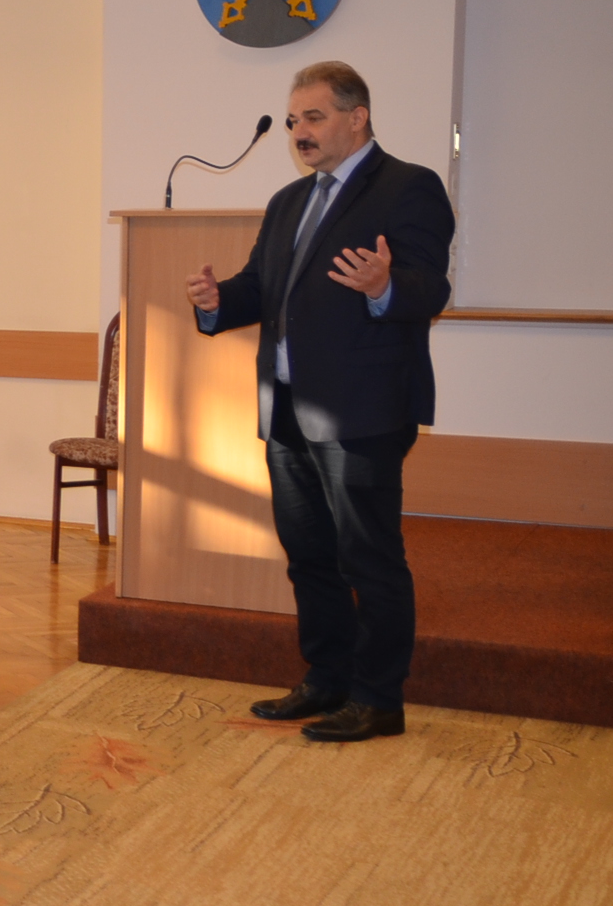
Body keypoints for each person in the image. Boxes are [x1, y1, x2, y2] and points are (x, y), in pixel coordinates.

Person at [186, 61, 455, 743]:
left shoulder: (409, 186)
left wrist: (384, 286)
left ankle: (379, 698)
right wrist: (217, 303)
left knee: (369, 558)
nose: (299, 132)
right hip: (285, 408)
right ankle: (327, 677)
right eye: (293, 120)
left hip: (362, 409)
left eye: (313, 117)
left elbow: (431, 287)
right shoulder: (288, 201)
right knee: (308, 555)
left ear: (356, 118)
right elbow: (260, 288)